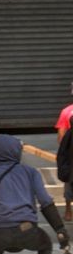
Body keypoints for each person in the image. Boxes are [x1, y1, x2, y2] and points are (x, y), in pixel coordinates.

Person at [54, 82, 73, 221]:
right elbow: (61, 135)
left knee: (69, 183)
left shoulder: (67, 111)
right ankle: (68, 210)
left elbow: (61, 136)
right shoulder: (67, 112)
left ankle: (68, 211)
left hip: (70, 156)